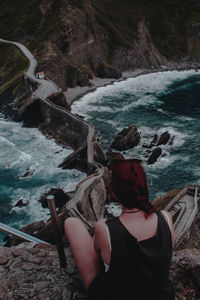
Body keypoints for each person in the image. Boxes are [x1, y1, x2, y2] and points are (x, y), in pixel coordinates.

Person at [65, 159, 175, 300]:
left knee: (71, 223)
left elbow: (97, 254)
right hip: (162, 296)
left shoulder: (106, 229)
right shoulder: (165, 218)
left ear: (114, 191)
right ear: (145, 185)